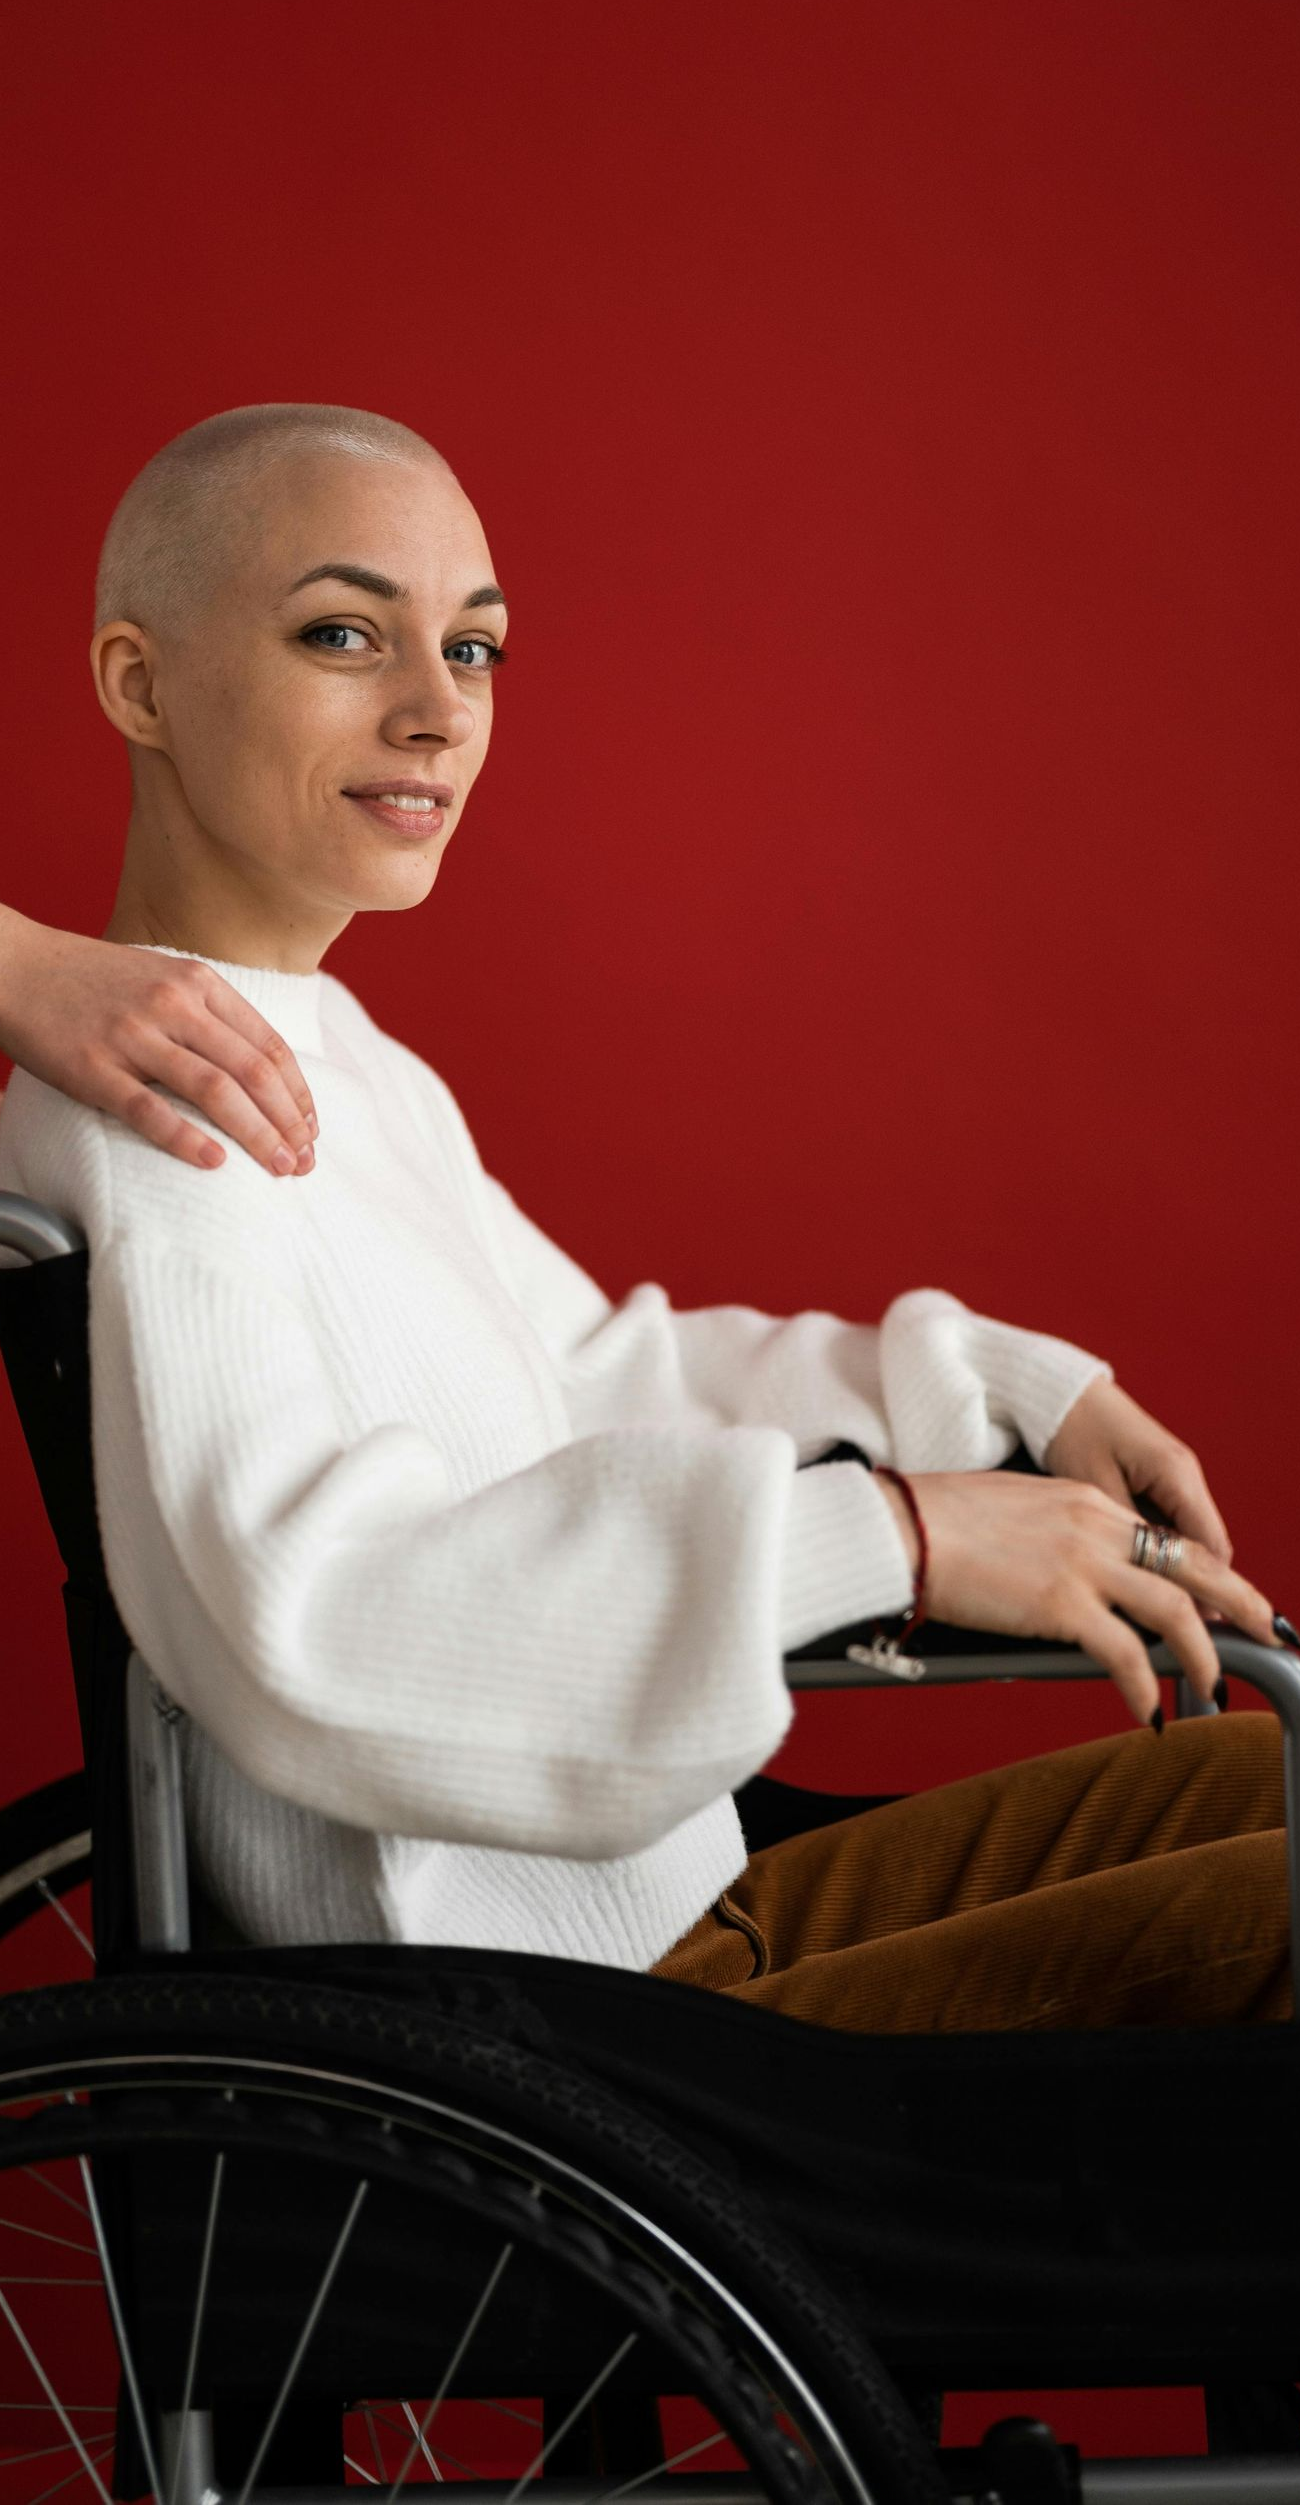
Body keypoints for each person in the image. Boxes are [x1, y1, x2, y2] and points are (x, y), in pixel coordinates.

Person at [0, 400, 1289, 2030]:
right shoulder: (161, 1107)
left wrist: (1000, 1397)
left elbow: (594, 1375)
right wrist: (897, 1533)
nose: (434, 713)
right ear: (140, 682)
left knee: (1262, 1783)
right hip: (559, 2030)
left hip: (680, 1906)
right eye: (346, 634)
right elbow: (309, 1610)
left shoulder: (349, 1065)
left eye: (475, 653)